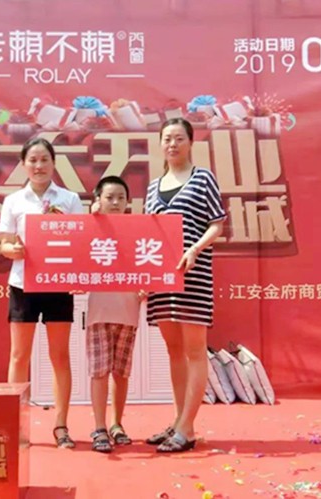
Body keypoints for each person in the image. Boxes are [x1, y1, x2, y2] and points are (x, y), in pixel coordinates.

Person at [144, 118, 226, 453]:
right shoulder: (153, 186)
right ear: (160, 144)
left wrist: (194, 249)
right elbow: (146, 235)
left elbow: (217, 224)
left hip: (193, 275)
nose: (172, 144)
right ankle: (179, 420)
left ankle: (188, 428)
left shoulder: (203, 178)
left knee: (194, 351)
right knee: (173, 351)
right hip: (161, 280)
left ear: (191, 143)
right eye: (167, 139)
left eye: (179, 138)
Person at [0, 137, 84, 449]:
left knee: (59, 355)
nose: (39, 165)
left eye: (44, 159)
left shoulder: (70, 199)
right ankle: (16, 426)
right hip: (23, 284)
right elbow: (4, 243)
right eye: (32, 160)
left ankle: (61, 425)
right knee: (19, 355)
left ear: (54, 163)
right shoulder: (13, 201)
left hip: (58, 284)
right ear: (23, 164)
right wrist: (12, 250)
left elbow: (80, 241)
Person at [85, 176, 143, 453]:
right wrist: (92, 217)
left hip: (129, 310)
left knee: (121, 372)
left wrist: (148, 285)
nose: (116, 202)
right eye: (109, 197)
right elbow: (77, 248)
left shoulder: (139, 232)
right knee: (99, 372)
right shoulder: (91, 228)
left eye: (121, 197)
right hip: (99, 311)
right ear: (98, 199)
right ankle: (99, 427)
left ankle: (116, 424)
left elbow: (150, 266)